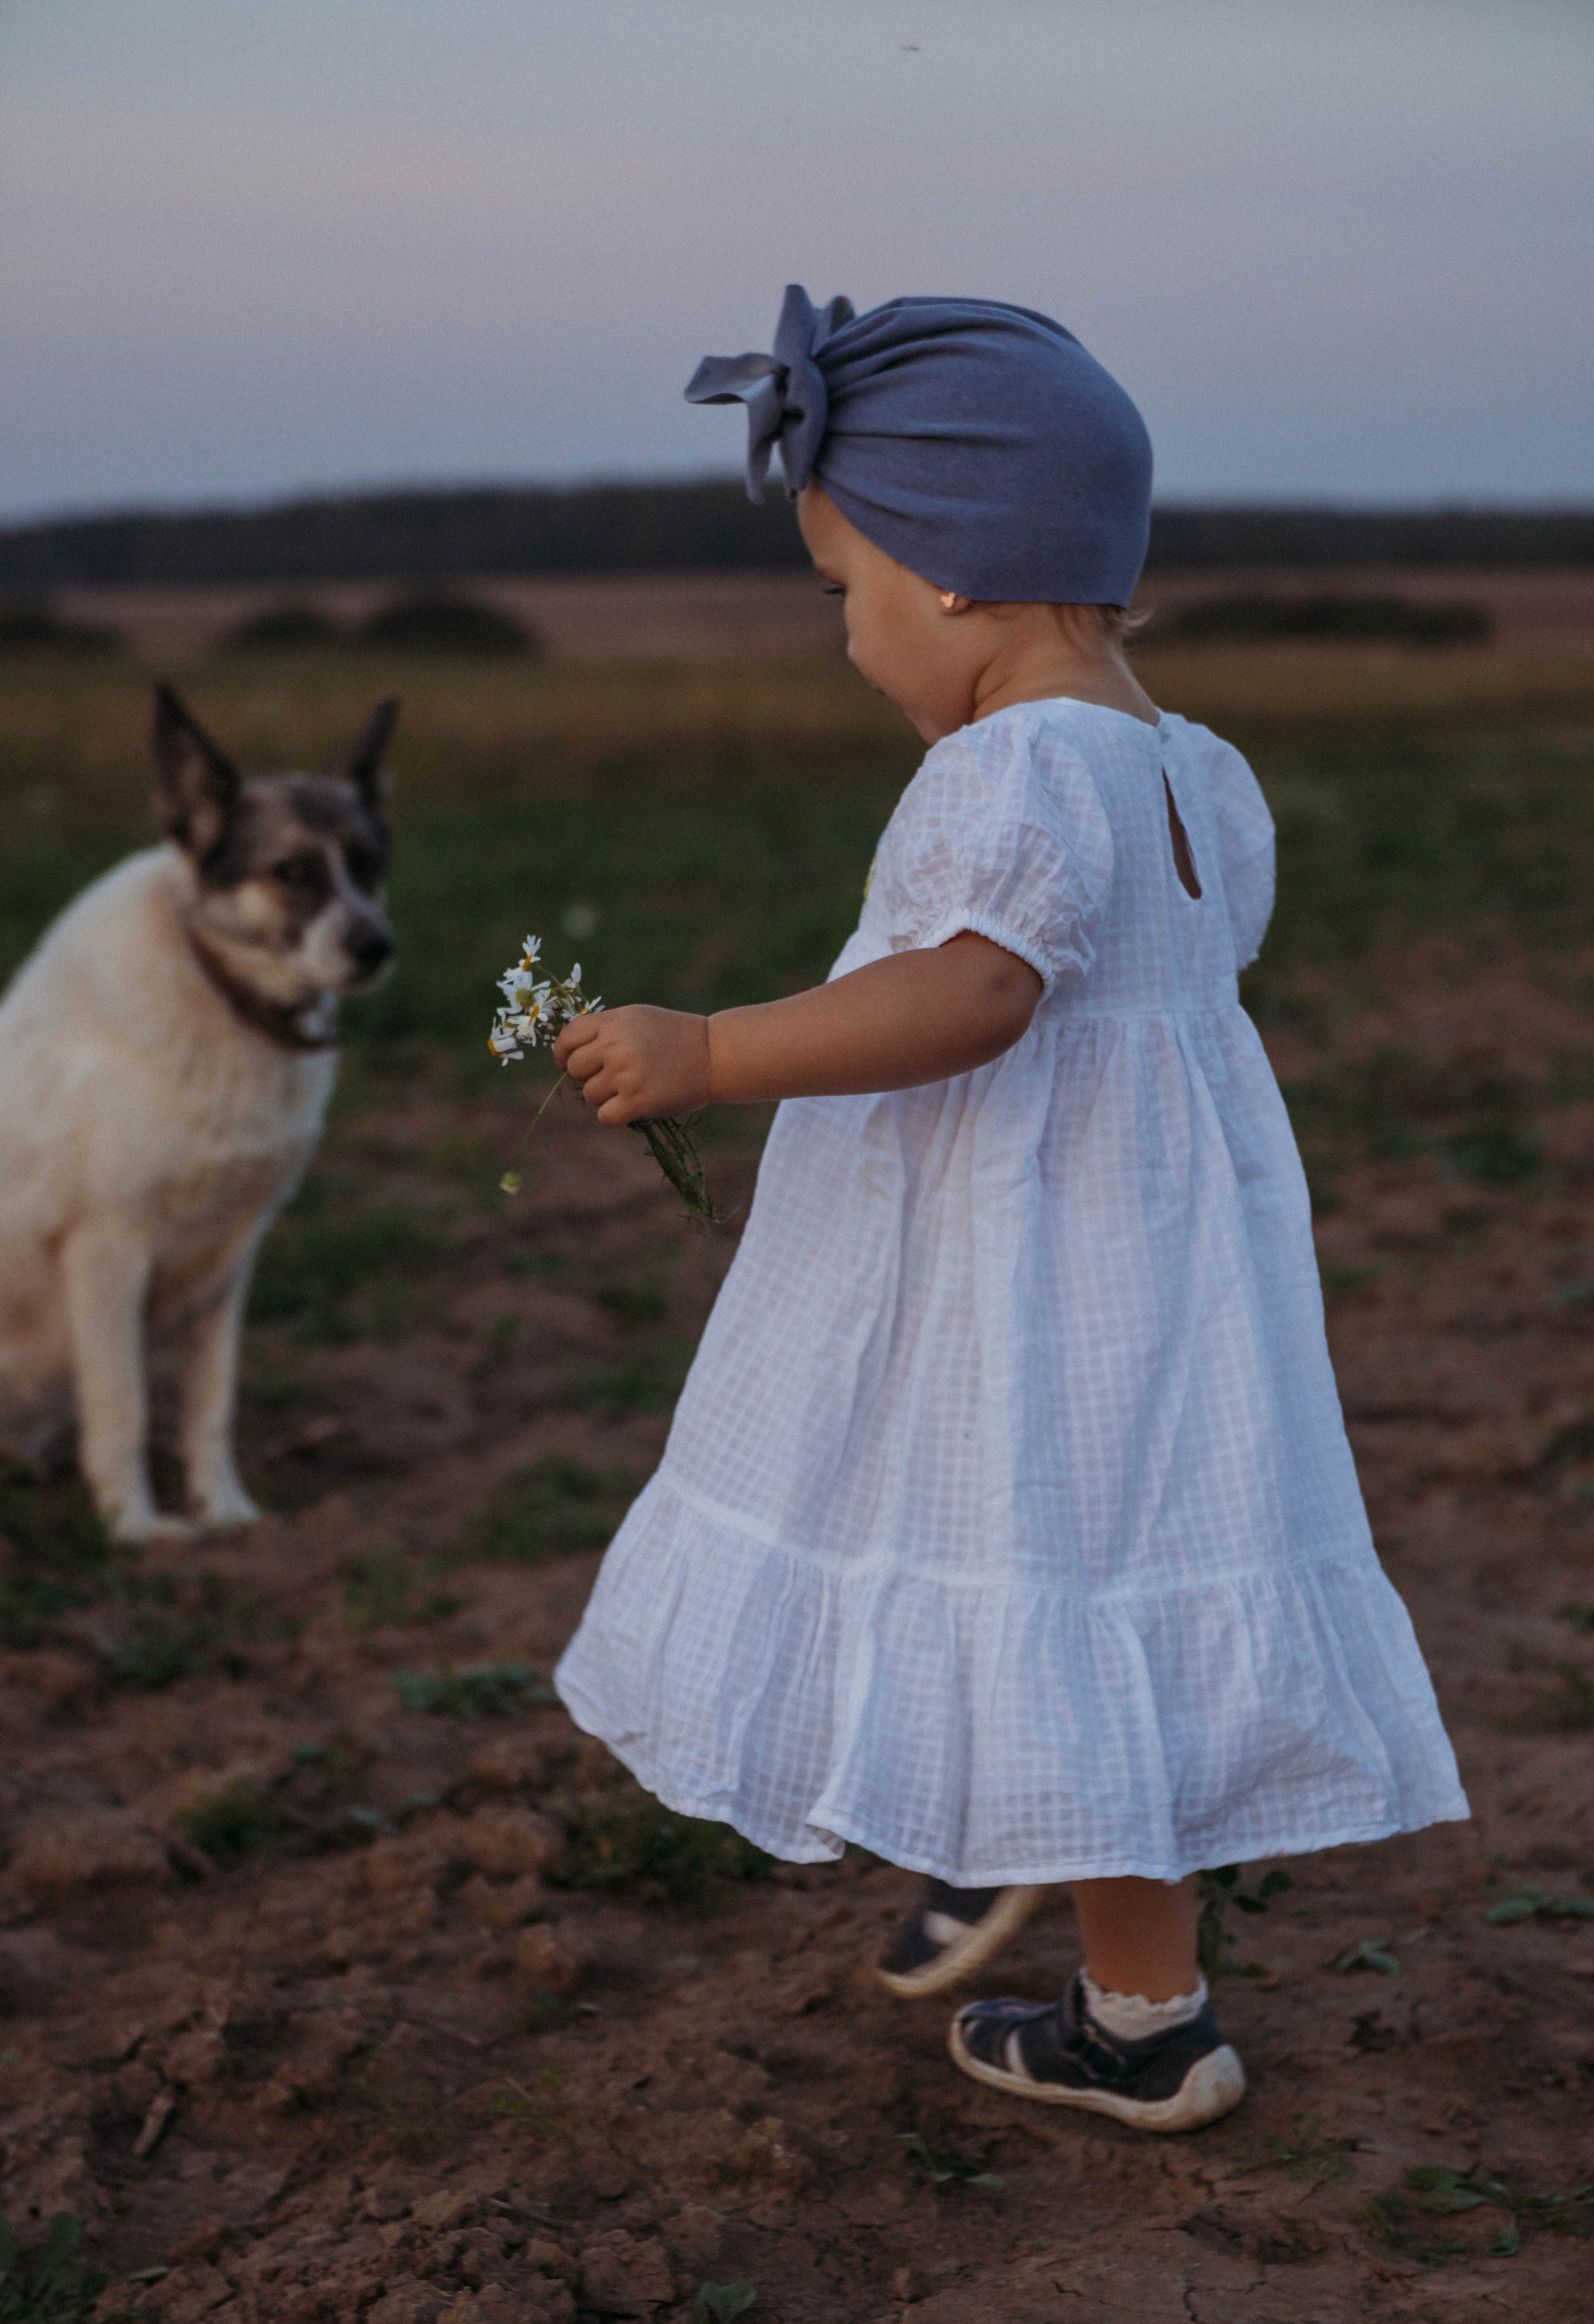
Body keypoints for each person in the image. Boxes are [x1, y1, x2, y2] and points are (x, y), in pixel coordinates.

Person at [552, 286, 1466, 2133]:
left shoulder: (1015, 766)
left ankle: (1018, 1861)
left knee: (999, 1555)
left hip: (1014, 1270)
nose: (846, 634)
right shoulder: (1194, 767)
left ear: (955, 570)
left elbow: (978, 992)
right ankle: (1143, 2013)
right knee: (1096, 1594)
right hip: (1157, 1278)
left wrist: (713, 1049)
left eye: (847, 588)